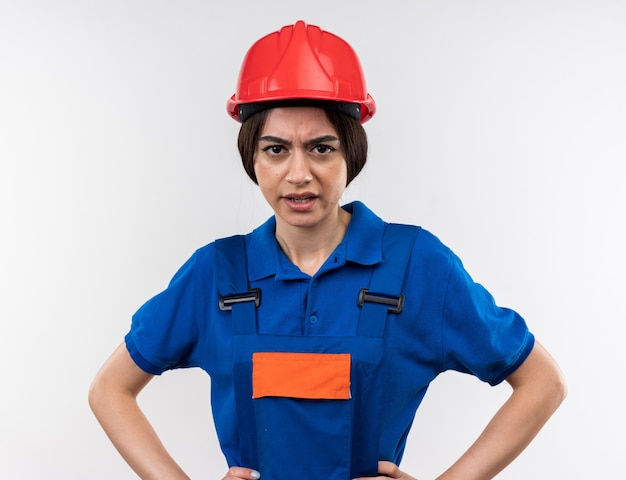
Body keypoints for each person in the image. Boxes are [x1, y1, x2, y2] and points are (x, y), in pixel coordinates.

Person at [89, 20, 566, 480]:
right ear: (251, 159)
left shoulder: (417, 266)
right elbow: (109, 390)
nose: (299, 174)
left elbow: (542, 383)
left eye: (321, 148)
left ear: (350, 154)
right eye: (276, 149)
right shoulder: (217, 273)